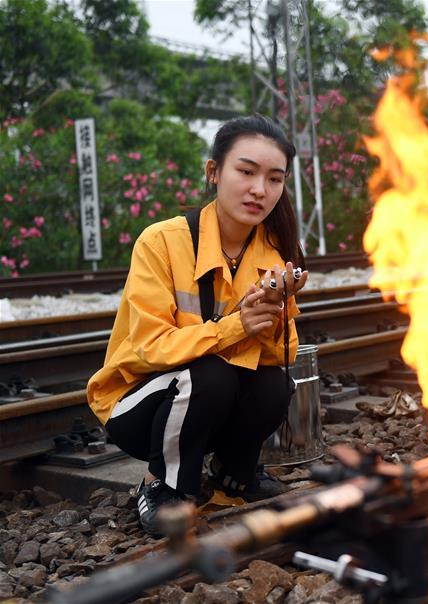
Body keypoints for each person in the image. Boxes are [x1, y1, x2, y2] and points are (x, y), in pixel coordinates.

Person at [86, 115, 309, 536]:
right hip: (137, 404)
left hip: (204, 404)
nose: (260, 190)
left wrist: (274, 316)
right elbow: (152, 347)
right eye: (246, 171)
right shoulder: (162, 242)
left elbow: (285, 355)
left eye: (274, 179)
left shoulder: (273, 254)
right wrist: (236, 326)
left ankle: (233, 476)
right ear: (214, 171)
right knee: (211, 375)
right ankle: (164, 486)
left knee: (274, 384)